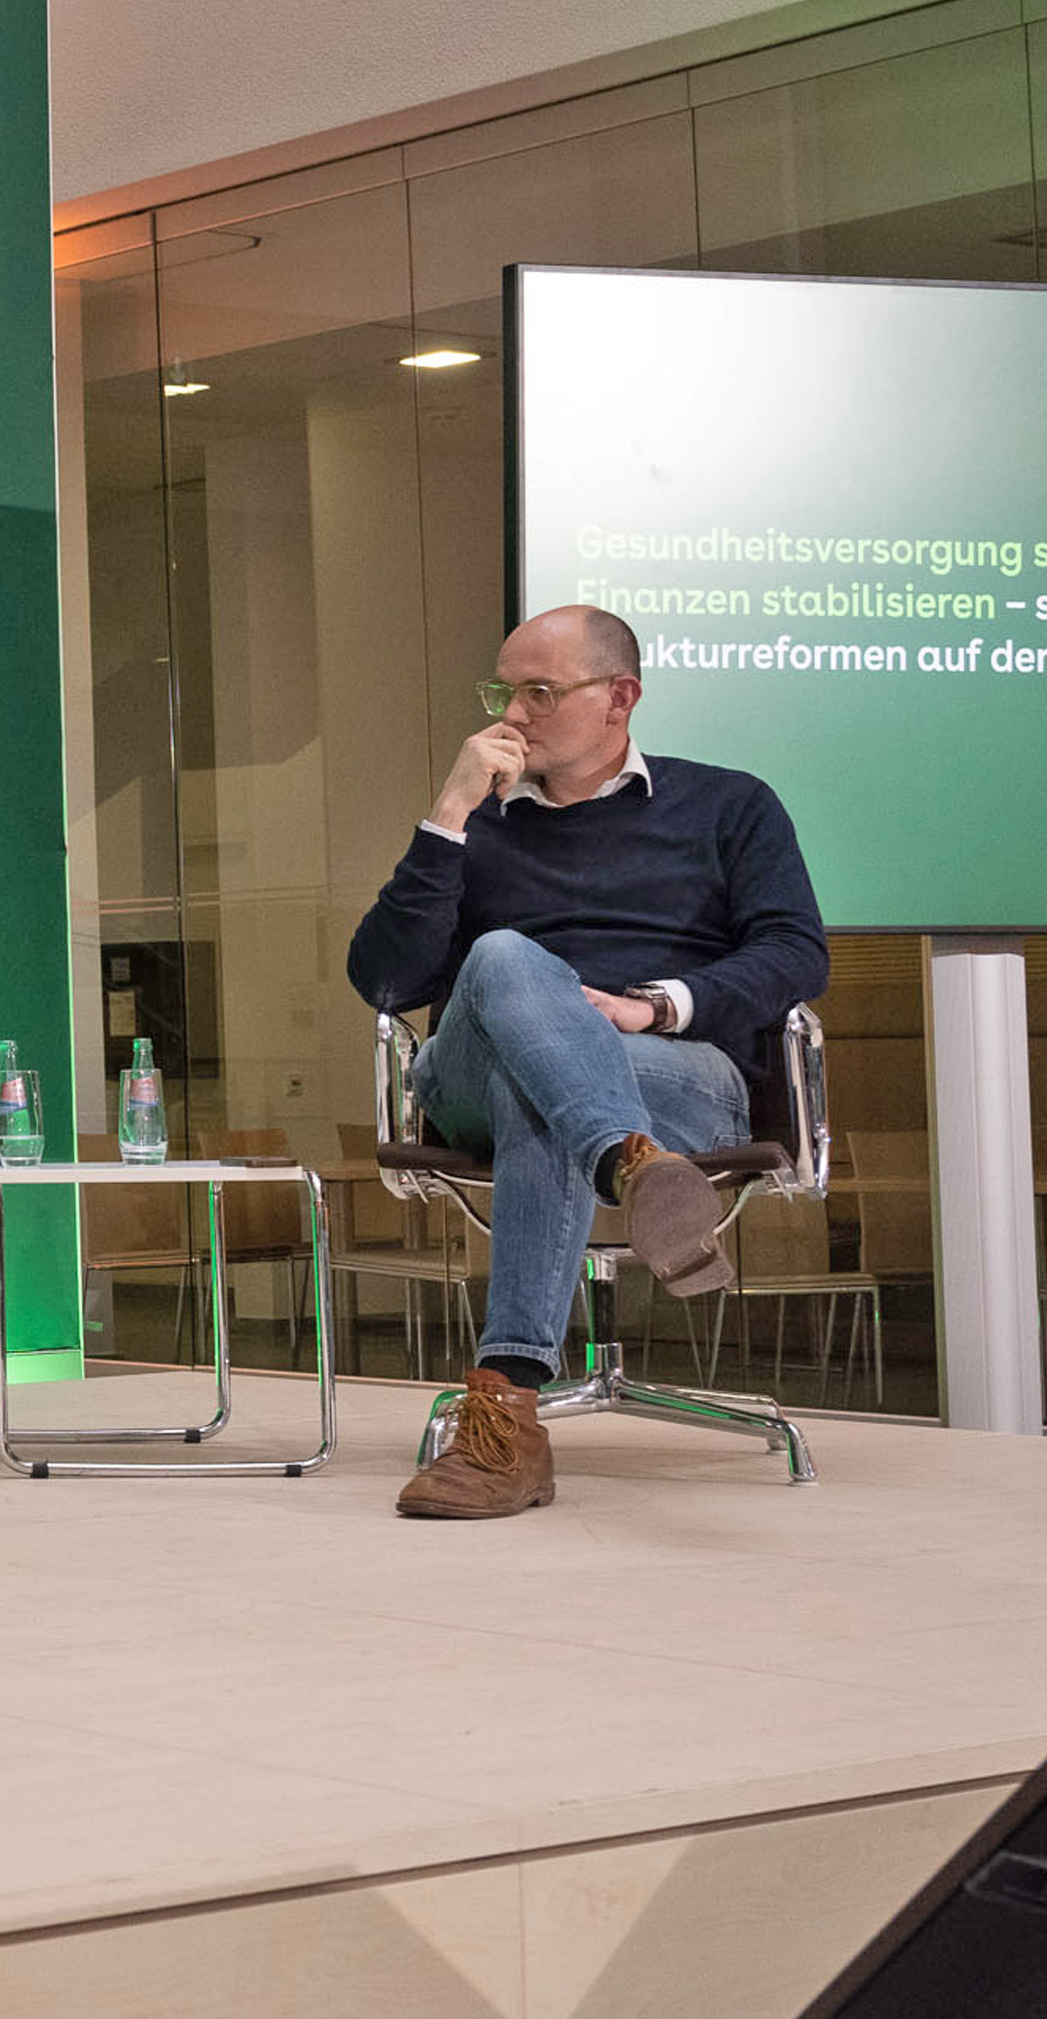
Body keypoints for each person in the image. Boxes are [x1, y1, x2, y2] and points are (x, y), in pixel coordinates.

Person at [347, 603, 824, 1521]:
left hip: (676, 1071)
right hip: (471, 1080)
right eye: (502, 691)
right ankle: (628, 1163)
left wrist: (656, 1005)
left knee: (546, 1096)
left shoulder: (730, 804)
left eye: (539, 692)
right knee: (501, 958)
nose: (512, 714)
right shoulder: (475, 824)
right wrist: (447, 815)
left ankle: (504, 1414)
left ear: (620, 697)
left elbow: (796, 952)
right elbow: (385, 980)